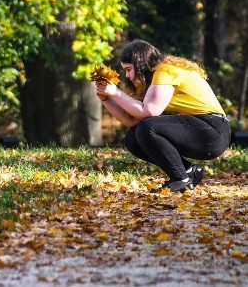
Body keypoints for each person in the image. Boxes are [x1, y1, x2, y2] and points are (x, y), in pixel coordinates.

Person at [96, 39, 231, 193]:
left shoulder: (166, 69)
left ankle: (181, 179)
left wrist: (115, 92)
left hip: (213, 131)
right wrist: (105, 98)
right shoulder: (156, 78)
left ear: (140, 64)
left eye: (128, 69)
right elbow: (131, 120)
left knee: (148, 128)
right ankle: (187, 172)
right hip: (203, 131)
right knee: (133, 138)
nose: (127, 76)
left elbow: (150, 111)